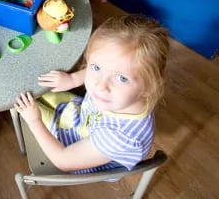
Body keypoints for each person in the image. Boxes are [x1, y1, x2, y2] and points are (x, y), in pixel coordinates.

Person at [14, 14, 169, 173]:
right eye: (96, 68)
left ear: (151, 86)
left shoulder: (119, 138)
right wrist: (73, 80)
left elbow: (63, 160)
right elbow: (105, 68)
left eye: (122, 78)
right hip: (85, 118)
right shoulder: (122, 96)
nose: (100, 86)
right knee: (32, 91)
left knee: (23, 100)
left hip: (80, 151)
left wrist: (34, 121)